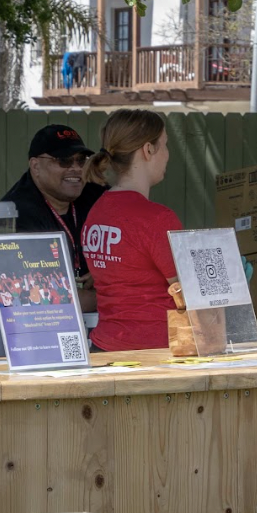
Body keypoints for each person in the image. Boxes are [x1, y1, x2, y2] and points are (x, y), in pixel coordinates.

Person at [80, 109, 183, 352]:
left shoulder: (96, 213)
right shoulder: (158, 219)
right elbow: (189, 294)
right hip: (155, 354)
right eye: (165, 145)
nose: (168, 155)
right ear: (148, 150)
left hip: (104, 348)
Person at [1, 125, 108, 312]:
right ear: (35, 166)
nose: (76, 169)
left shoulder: (97, 196)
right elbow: (48, 298)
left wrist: (106, 272)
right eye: (64, 161)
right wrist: (115, 297)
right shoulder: (18, 214)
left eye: (81, 160)